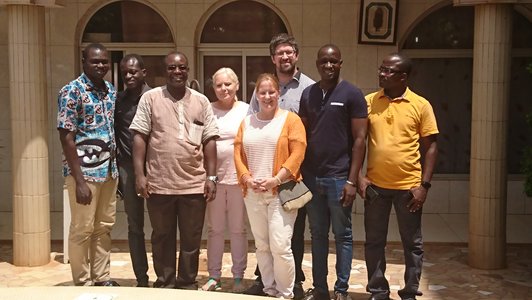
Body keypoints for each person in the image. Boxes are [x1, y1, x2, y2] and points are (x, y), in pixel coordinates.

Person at [129, 51, 219, 289]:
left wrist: (211, 177)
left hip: (194, 184)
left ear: (188, 70)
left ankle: (187, 282)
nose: (177, 72)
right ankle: (165, 283)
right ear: (164, 70)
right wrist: (140, 175)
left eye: (181, 67)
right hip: (159, 183)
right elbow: (139, 137)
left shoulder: (201, 101)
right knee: (162, 238)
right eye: (171, 68)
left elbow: (210, 140)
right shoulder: (150, 98)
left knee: (191, 239)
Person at [358, 53, 439, 300]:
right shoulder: (369, 101)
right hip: (376, 188)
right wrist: (360, 177)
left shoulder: (421, 105)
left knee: (412, 244)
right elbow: (358, 141)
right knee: (374, 242)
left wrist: (424, 185)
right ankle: (378, 290)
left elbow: (431, 147)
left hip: (409, 189)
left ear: (403, 77)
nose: (382, 73)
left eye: (388, 71)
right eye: (381, 69)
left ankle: (410, 291)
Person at [246, 33, 315, 300]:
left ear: (296, 55)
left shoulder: (308, 87)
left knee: (291, 232)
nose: (285, 57)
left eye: (289, 52)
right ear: (272, 58)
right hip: (262, 171)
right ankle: (263, 279)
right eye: (280, 53)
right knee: (263, 232)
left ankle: (294, 281)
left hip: (293, 174)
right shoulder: (262, 89)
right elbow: (252, 123)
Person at [299, 44, 368, 300]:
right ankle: (320, 289)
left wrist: (352, 179)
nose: (329, 66)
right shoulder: (308, 94)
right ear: (317, 63)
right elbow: (303, 136)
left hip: (340, 178)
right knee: (317, 235)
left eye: (334, 61)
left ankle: (341, 290)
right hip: (312, 177)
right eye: (324, 61)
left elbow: (360, 140)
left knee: (343, 235)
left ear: (341, 63)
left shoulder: (352, 94)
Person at [234, 73, 307, 299]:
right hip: (253, 193)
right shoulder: (247, 122)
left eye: (271, 92)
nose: (267, 96)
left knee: (281, 246)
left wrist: (276, 179)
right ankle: (269, 289)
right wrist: (246, 178)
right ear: (256, 95)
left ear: (278, 93)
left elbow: (298, 152)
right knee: (262, 246)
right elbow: (237, 153)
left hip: (280, 192)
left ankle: (286, 293)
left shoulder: (291, 120)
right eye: (262, 92)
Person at [57, 43, 120, 286]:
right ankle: (82, 281)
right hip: (84, 175)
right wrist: (80, 181)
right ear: (84, 61)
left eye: (104, 61)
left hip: (108, 172)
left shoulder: (110, 90)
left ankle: (102, 277)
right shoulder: (71, 91)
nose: (101, 65)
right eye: (95, 61)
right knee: (82, 229)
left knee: (103, 226)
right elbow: (66, 138)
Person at [201, 68, 249, 293]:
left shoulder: (247, 110)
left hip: (239, 179)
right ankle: (214, 276)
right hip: (215, 180)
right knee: (215, 230)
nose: (223, 89)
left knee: (238, 229)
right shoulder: (208, 110)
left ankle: (238, 275)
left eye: (228, 84)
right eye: (219, 85)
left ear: (237, 85)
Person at [115, 54, 151, 287]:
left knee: (162, 227)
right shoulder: (118, 100)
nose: (129, 76)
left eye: (133, 72)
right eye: (125, 72)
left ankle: (165, 276)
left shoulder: (157, 97)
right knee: (134, 226)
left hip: (156, 168)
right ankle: (141, 278)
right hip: (128, 168)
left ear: (143, 72)